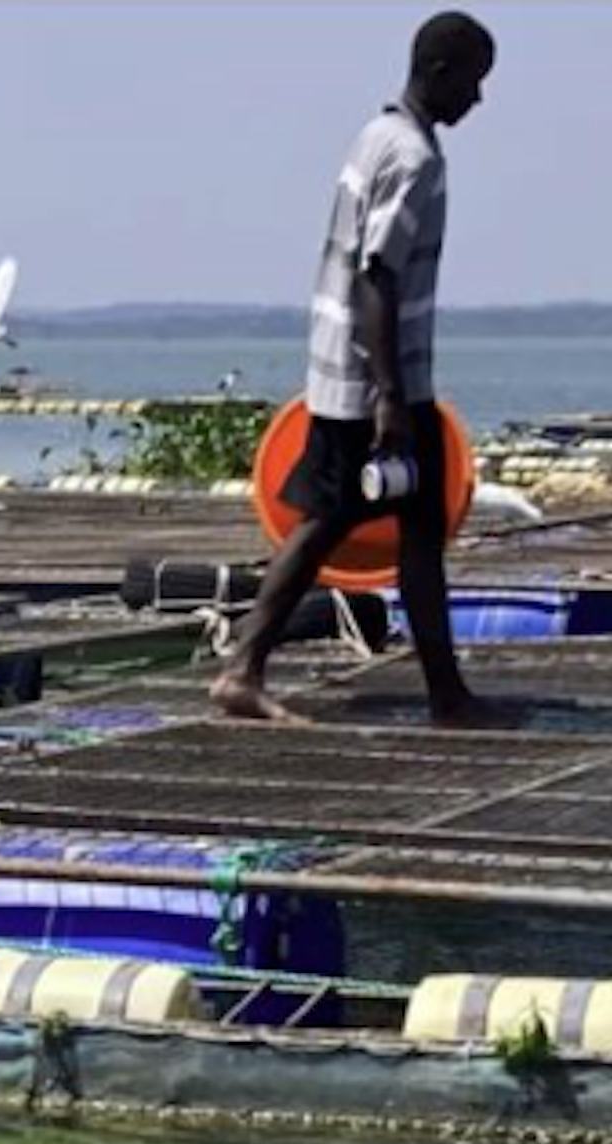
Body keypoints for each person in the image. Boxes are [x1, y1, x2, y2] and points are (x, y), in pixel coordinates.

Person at [212, 11, 500, 728]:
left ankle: (446, 693)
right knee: (337, 524)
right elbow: (377, 275)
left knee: (408, 526)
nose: (478, 99)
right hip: (374, 383)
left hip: (346, 370)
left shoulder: (376, 135)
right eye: (473, 81)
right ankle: (243, 668)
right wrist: (392, 400)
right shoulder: (413, 158)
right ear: (439, 74)